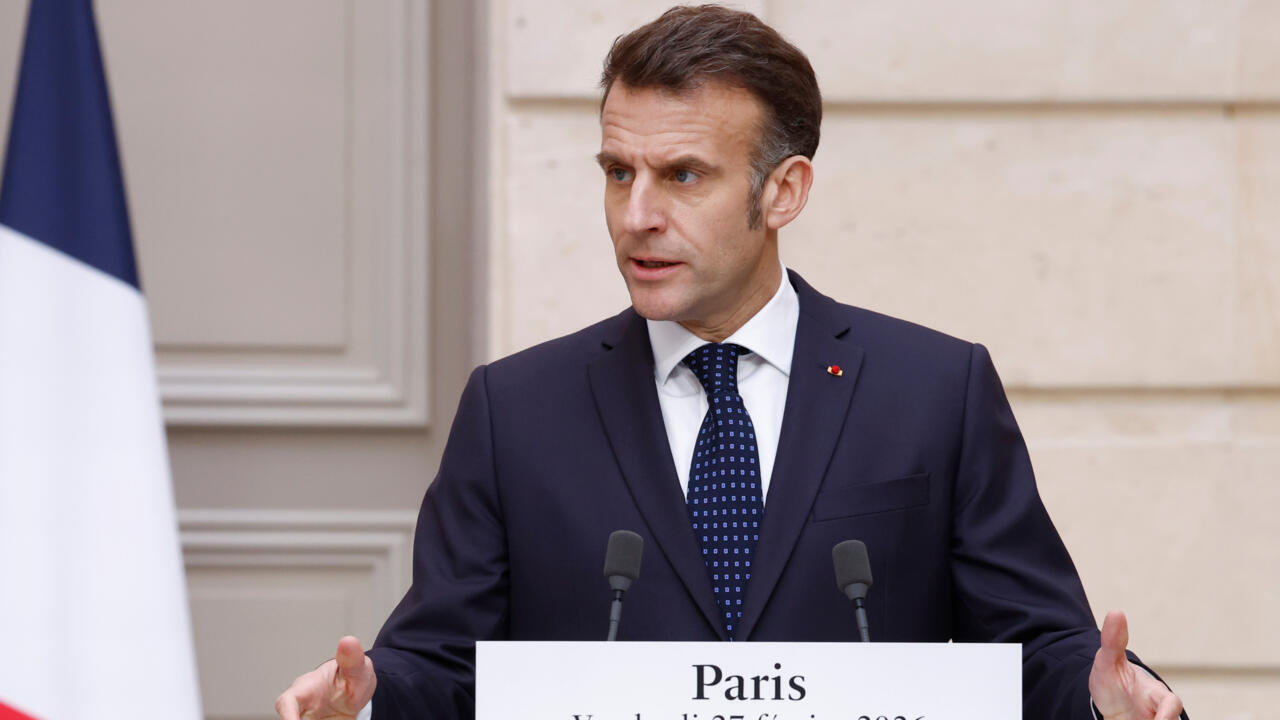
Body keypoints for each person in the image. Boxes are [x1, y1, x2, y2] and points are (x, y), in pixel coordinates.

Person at [276, 6, 1186, 720]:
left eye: (682, 175)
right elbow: (444, 663)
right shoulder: (514, 410)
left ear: (783, 191)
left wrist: (1102, 701)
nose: (637, 215)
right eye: (618, 172)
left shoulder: (933, 391)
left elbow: (1031, 648)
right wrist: (369, 702)